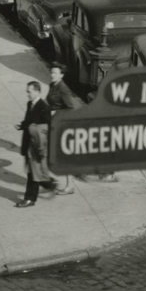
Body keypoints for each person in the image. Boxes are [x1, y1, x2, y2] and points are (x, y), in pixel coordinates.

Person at [44, 64, 82, 195]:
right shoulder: (52, 85)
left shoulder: (63, 89)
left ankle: (69, 185)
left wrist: (55, 113)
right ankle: (49, 179)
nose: (52, 75)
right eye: (51, 72)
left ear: (61, 75)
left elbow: (70, 108)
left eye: (55, 73)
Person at [17, 81, 52, 207]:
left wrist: (42, 147)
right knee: (32, 172)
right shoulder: (30, 104)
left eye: (29, 91)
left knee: (32, 173)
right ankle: (50, 184)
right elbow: (28, 120)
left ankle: (29, 199)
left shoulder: (44, 106)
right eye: (27, 91)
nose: (27, 94)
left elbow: (46, 127)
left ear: (37, 91)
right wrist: (22, 126)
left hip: (37, 145)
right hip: (29, 143)